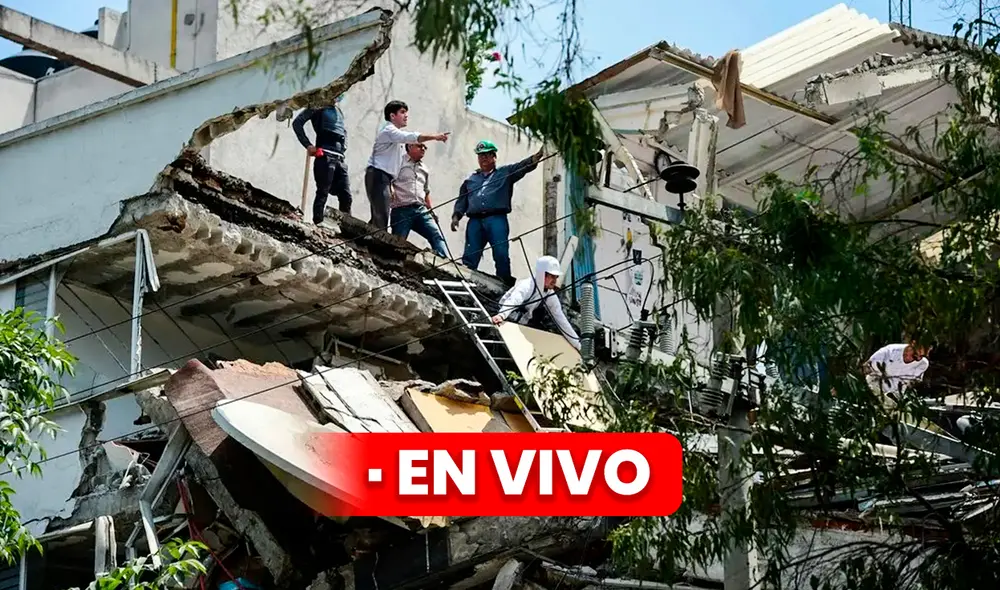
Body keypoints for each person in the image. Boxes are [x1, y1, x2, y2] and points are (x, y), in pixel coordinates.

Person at [451, 141, 544, 284]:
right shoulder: (471, 179)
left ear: (494, 157)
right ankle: (465, 278)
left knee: (500, 251)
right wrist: (456, 216)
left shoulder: (505, 173)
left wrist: (536, 157)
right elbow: (462, 200)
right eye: (480, 156)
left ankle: (504, 279)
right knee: (471, 252)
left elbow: (522, 167)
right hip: (475, 220)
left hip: (496, 219)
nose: (483, 159)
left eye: (487, 155)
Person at [366, 100, 450, 231]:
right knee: (381, 217)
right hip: (378, 175)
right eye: (402, 112)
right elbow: (410, 137)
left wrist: (391, 184)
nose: (406, 116)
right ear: (392, 116)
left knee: (379, 216)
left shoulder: (396, 138)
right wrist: (435, 136)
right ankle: (371, 246)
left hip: (384, 178)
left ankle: (364, 240)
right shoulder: (389, 131)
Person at [490, 255, 580, 351]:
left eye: (556, 277)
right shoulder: (526, 286)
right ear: (542, 274)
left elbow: (561, 320)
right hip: (505, 319)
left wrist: (578, 345)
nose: (554, 281)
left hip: (522, 325)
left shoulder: (549, 295)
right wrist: (501, 315)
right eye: (552, 276)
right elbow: (513, 301)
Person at [292, 96, 351, 223]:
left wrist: (344, 146)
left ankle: (346, 226)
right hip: (325, 155)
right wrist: (308, 145)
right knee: (322, 193)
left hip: (340, 158)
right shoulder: (317, 105)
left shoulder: (338, 111)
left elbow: (344, 131)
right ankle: (318, 223)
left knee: (346, 196)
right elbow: (297, 123)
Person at [390, 143, 448, 258]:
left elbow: (426, 191)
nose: (423, 149)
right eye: (420, 146)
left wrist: (431, 210)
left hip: (421, 210)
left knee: (436, 235)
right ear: (410, 147)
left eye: (425, 147)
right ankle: (393, 264)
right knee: (398, 241)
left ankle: (444, 262)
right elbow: (387, 180)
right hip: (401, 210)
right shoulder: (397, 162)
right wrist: (390, 189)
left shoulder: (424, 169)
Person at [863, 341, 931, 396]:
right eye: (915, 355)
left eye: (922, 356)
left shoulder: (922, 364)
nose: (918, 358)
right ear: (912, 344)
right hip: (875, 389)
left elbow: (913, 382)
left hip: (896, 395)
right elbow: (866, 367)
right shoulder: (889, 351)